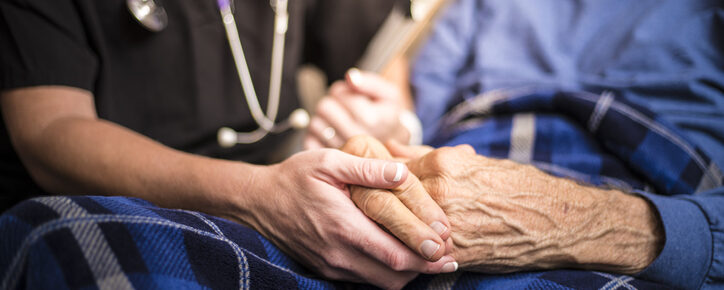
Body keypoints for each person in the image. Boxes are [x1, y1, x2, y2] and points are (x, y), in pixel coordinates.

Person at [0, 0, 459, 288]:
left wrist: (388, 118)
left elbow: (381, 50)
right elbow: (48, 130)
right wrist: (258, 196)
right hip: (126, 209)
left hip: (290, 199)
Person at [315, 0, 724, 289]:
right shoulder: (471, 7)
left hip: (655, 184)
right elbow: (421, 111)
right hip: (457, 170)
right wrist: (394, 126)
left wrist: (566, 221)